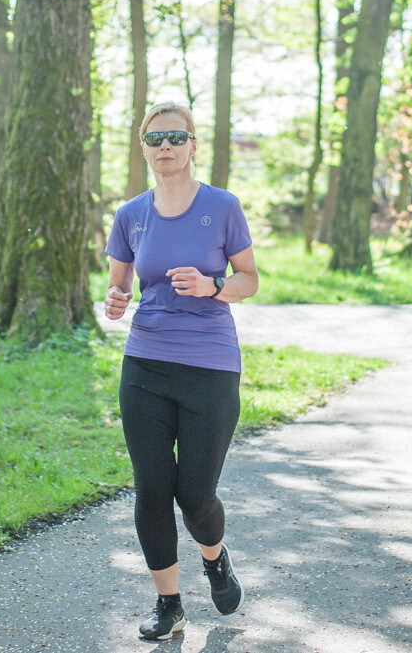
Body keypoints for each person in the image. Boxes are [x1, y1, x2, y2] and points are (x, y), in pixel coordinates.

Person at [104, 102, 259, 641]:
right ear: (143, 148)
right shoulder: (131, 214)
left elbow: (250, 280)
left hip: (211, 367)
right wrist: (117, 299)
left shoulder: (221, 207)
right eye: (154, 139)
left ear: (193, 145)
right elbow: (119, 284)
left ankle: (214, 559)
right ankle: (168, 604)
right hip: (145, 362)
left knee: (195, 496)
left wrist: (214, 286)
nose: (164, 146)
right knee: (151, 487)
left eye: (175, 137)